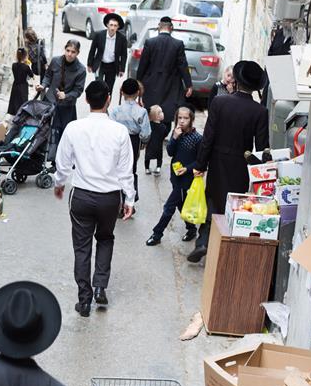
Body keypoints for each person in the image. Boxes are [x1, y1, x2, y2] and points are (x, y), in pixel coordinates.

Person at [54, 80, 135, 317]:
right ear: (108, 99)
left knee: (82, 248)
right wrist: (129, 199)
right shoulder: (119, 131)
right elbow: (125, 170)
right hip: (110, 198)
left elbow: (62, 163)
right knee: (106, 238)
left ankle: (84, 300)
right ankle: (100, 285)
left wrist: (59, 184)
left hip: (81, 196)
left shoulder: (73, 128)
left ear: (86, 100)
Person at [188, 60, 270, 262]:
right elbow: (262, 148)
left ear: (237, 82)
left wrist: (200, 164)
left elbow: (208, 137)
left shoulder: (219, 102)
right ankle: (225, 250)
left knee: (213, 201)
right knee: (234, 205)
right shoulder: (260, 111)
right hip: (241, 165)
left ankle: (203, 241)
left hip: (217, 160)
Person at [137, 16, 193, 156]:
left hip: (151, 84)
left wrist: (138, 83)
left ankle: (150, 137)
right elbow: (183, 66)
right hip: (171, 85)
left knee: (151, 111)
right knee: (167, 113)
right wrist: (189, 85)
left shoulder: (150, 42)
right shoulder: (178, 44)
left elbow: (143, 64)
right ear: (171, 28)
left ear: (158, 26)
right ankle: (161, 136)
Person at [146, 105, 201, 246]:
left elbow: (200, 161)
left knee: (169, 207)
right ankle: (191, 229)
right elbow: (170, 152)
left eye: (186, 118)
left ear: (192, 120)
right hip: (175, 177)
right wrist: (175, 137)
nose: (182, 121)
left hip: (186, 179)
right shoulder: (176, 133)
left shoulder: (197, 138)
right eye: (179, 118)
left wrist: (187, 169)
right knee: (181, 205)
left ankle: (157, 234)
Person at [39, 40, 86, 153]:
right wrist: (43, 85)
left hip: (67, 107)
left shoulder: (81, 70)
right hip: (49, 101)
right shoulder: (55, 61)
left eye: (73, 52)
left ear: (77, 53)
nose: (69, 54)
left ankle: (58, 161)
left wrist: (66, 95)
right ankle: (39, 156)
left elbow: (78, 90)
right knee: (43, 130)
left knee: (63, 135)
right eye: (68, 50)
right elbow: (48, 75)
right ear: (64, 49)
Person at [109, 78, 150, 204]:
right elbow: (146, 133)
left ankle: (116, 199)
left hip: (117, 140)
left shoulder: (115, 111)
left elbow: (110, 127)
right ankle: (129, 199)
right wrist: (143, 142)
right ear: (138, 92)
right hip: (133, 141)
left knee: (116, 168)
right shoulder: (142, 111)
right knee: (131, 170)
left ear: (122, 92)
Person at [88, 13, 128, 100]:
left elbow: (124, 55)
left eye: (115, 25)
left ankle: (106, 106)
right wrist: (89, 64)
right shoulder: (99, 35)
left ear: (118, 27)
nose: (113, 28)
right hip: (100, 64)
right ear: (107, 25)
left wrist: (122, 69)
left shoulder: (122, 38)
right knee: (99, 86)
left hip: (113, 66)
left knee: (109, 88)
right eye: (111, 25)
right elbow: (92, 50)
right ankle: (97, 105)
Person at [8, 48, 34, 116]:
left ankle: (13, 116)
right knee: (22, 103)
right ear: (25, 56)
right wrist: (29, 66)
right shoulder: (26, 67)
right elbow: (32, 75)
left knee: (14, 101)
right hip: (23, 86)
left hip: (15, 85)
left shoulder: (13, 65)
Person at [143, 105, 167, 175]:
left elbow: (146, 132)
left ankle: (147, 169)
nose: (163, 113)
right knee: (159, 157)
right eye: (160, 112)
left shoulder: (149, 125)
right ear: (157, 116)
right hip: (158, 145)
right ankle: (158, 168)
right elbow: (165, 134)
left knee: (147, 157)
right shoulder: (163, 127)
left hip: (149, 145)